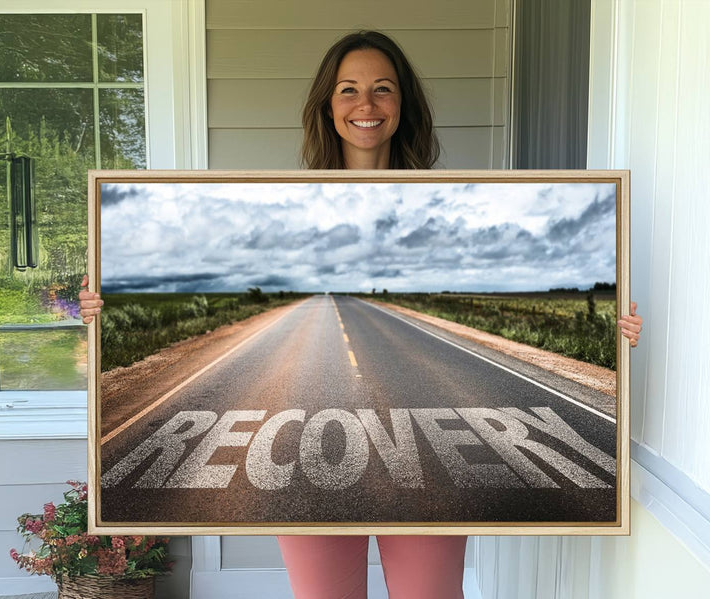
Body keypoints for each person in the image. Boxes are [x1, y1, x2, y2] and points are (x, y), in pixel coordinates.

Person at [79, 30, 643, 599]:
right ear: (328, 105)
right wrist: (103, 309)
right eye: (348, 90)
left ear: (403, 105)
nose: (366, 105)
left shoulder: (441, 204)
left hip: (427, 467)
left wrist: (611, 333)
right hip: (305, 457)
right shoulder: (286, 203)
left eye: (382, 89)